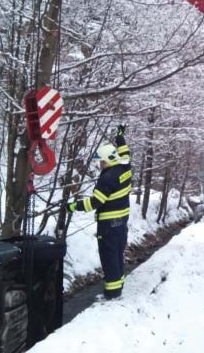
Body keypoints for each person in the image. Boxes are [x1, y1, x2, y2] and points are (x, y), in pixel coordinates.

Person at [67, 124, 132, 300]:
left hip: (108, 225)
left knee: (109, 257)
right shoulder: (125, 168)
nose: (100, 164)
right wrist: (120, 137)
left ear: (109, 160)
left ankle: (112, 293)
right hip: (122, 222)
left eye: (102, 161)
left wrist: (73, 206)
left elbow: (95, 202)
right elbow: (125, 153)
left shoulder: (107, 178)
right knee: (118, 254)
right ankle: (119, 286)